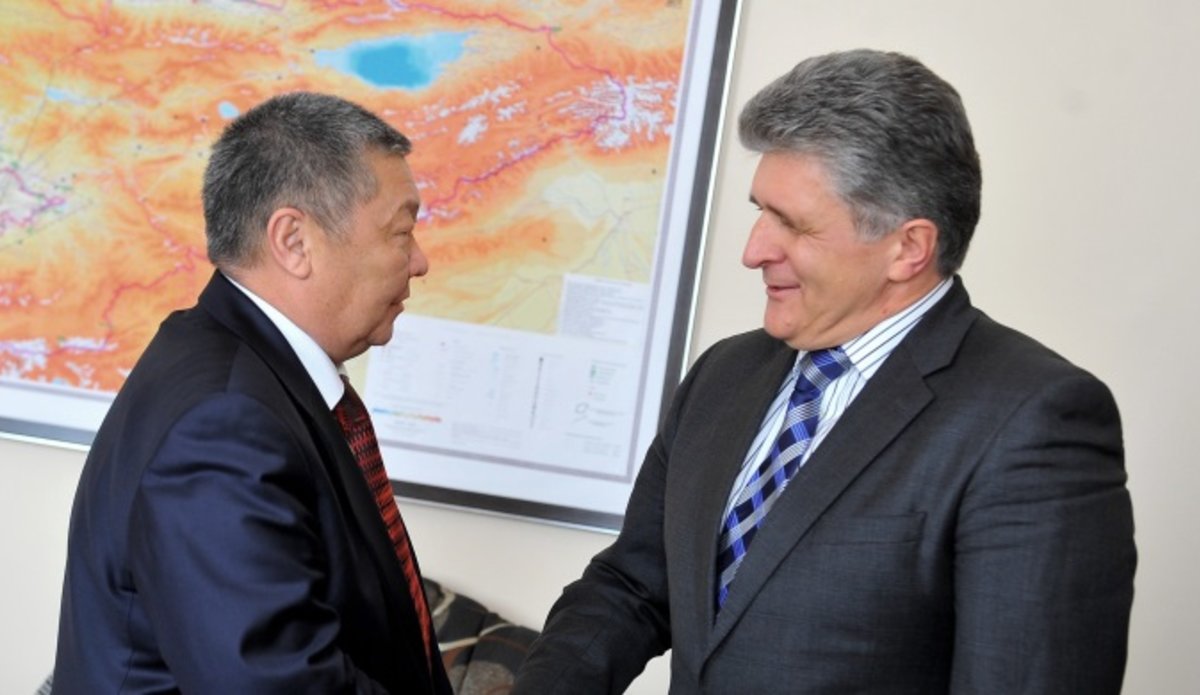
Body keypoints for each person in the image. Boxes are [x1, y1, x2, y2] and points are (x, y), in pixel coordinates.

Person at [513, 49, 1136, 694]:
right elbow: (633, 587)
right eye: (760, 211)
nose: (753, 250)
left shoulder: (1034, 419)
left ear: (907, 247)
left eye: (793, 224)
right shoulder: (723, 374)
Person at [53, 92, 452, 693]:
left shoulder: (248, 375)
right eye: (401, 232)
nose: (419, 262)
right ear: (293, 241)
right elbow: (276, 683)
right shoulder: (223, 421)